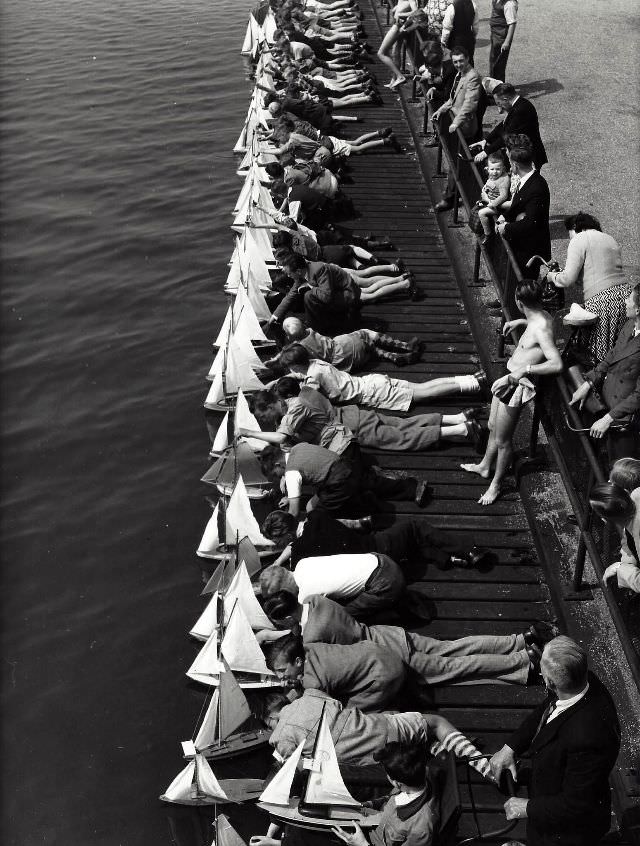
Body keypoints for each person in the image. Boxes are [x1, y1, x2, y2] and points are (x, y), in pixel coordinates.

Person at [490, 636, 620, 846]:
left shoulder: (587, 737)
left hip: (567, 831)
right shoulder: (582, 682)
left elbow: (577, 804)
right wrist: (511, 747)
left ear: (549, 682)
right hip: (552, 791)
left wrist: (527, 808)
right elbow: (550, 707)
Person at [262, 594, 551, 688]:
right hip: (389, 633)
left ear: (287, 620)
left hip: (389, 653)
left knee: (458, 668)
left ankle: (523, 659)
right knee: (455, 647)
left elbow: (307, 643)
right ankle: (518, 640)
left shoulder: (311, 638)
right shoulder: (316, 602)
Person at [461, 280, 563, 505]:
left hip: (515, 385)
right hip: (507, 377)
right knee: (491, 426)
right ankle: (485, 466)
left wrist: (524, 370)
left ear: (519, 302)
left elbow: (556, 364)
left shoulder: (541, 328)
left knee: (503, 439)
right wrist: (520, 321)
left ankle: (496, 484)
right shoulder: (542, 315)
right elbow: (536, 323)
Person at [265, 687, 492, 777]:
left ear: (273, 718)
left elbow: (298, 766)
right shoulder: (311, 695)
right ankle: (487, 768)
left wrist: (317, 760)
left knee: (425, 735)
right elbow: (338, 705)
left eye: (270, 726)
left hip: (367, 763)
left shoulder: (280, 737)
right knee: (437, 722)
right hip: (380, 730)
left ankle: (445, 753)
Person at [246, 380, 485, 453]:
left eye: (264, 414)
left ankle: (461, 430)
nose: (266, 419)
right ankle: (457, 417)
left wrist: (247, 433)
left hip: (351, 427)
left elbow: (280, 437)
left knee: (401, 439)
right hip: (353, 414)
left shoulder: (295, 409)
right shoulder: (302, 393)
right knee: (404, 423)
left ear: (273, 403)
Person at [261, 508, 496, 570]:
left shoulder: (302, 554)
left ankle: (449, 559)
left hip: (372, 566)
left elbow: (297, 546)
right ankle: (469, 548)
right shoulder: (317, 516)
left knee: (412, 545)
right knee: (414, 527)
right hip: (377, 545)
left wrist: (277, 563)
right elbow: (349, 525)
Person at [279, 343, 487, 412]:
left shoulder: (311, 379)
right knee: (423, 386)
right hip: (371, 381)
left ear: (296, 366)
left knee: (425, 395)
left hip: (371, 393)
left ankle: (473, 385)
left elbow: (308, 399)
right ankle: (471, 378)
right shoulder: (316, 363)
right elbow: (304, 374)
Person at [258, 442, 430, 518]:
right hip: (347, 464)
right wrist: (291, 497)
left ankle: (367, 511)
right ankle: (413, 488)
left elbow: (294, 513)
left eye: (276, 473)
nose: (279, 477)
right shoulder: (297, 448)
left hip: (339, 482)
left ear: (278, 463)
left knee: (321, 511)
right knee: (371, 483)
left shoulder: (291, 474)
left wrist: (286, 523)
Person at [569, 284, 640, 461]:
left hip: (624, 419)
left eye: (629, 299)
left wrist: (608, 419)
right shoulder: (630, 324)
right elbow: (611, 357)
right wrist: (589, 382)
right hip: (609, 405)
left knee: (621, 469)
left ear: (638, 309)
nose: (625, 301)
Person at [547, 212, 628, 361]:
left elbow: (567, 279)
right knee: (617, 351)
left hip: (603, 300)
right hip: (626, 297)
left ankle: (596, 383)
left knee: (598, 353)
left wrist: (553, 276)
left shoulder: (579, 239)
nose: (570, 238)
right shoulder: (610, 239)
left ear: (576, 227)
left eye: (569, 234)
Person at [265, 632, 407, 711]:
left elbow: (317, 703)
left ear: (297, 661)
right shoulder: (307, 647)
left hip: (386, 674)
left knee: (351, 713)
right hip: (380, 652)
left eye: (282, 670)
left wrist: (296, 687)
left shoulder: (314, 682)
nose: (279, 676)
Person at [259, 553, 408, 620]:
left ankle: (398, 612)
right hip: (381, 559)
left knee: (343, 617)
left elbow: (306, 625)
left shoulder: (306, 595)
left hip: (387, 584)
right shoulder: (303, 563)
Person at [432, 46, 482, 212]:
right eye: (455, 62)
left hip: (463, 127)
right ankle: (452, 194)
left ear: (468, 59)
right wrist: (441, 109)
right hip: (455, 122)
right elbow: (453, 98)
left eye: (461, 61)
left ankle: (450, 198)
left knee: (457, 162)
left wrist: (456, 123)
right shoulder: (460, 75)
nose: (458, 64)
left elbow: (469, 104)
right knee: (456, 161)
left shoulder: (472, 76)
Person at [277, 316, 422, 370]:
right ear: (303, 325)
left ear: (289, 337)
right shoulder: (310, 331)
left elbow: (288, 350)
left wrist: (275, 359)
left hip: (344, 364)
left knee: (368, 348)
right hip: (344, 346)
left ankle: (393, 356)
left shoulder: (298, 348)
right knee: (365, 333)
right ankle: (403, 347)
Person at [495, 138, 551, 277]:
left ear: (515, 165)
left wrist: (506, 227)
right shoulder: (528, 181)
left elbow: (531, 222)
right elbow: (518, 205)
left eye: (510, 163)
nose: (509, 166)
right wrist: (505, 216)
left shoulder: (536, 187)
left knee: (523, 279)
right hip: (521, 243)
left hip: (529, 249)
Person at [471, 83, 547, 171]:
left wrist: (485, 152)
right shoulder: (518, 105)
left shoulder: (521, 110)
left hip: (529, 158)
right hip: (523, 154)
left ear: (505, 99)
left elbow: (507, 135)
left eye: (499, 103)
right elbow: (504, 124)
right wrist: (486, 140)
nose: (500, 107)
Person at [589, 481, 640, 593]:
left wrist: (622, 569)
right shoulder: (637, 493)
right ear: (625, 491)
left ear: (605, 520)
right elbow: (629, 532)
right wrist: (627, 560)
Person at [377, 0, 418, 89]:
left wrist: (400, 14)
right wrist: (396, 9)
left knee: (381, 53)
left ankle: (400, 76)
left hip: (398, 25)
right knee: (395, 52)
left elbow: (416, 11)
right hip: (397, 24)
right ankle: (394, 80)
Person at [476, 152, 511, 244]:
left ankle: (487, 234)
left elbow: (504, 196)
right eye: (492, 169)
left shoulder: (503, 180)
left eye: (498, 169)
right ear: (487, 169)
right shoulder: (493, 175)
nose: (495, 172)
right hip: (489, 199)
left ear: (503, 168)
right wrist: (484, 191)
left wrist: (491, 203)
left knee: (481, 213)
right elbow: (489, 183)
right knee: (477, 205)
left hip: (498, 206)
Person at [489, 0, 518, 81]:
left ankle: (500, 88)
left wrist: (506, 42)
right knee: (493, 61)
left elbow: (512, 24)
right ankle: (494, 85)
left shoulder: (509, 4)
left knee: (499, 64)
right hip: (495, 34)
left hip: (502, 37)